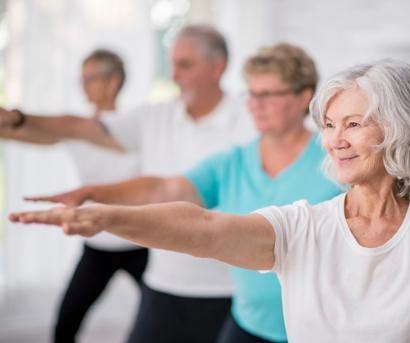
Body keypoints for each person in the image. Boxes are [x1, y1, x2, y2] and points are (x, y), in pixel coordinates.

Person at [10, 59, 410, 343]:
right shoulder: (302, 229)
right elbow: (200, 226)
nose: (336, 139)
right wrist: (104, 216)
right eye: (329, 125)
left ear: (403, 131)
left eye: (355, 124)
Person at [21, 43, 343, 343]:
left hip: (316, 326)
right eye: (251, 94)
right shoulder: (233, 161)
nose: (256, 105)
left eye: (269, 95)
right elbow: (165, 187)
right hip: (249, 323)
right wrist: (93, 194)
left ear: (304, 97)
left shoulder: (336, 160)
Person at [2, 25, 255, 342]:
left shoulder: (250, 120)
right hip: (164, 283)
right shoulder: (154, 117)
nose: (174, 75)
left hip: (228, 288)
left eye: (184, 65)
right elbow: (81, 127)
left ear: (217, 67)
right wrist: (18, 120)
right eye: (172, 63)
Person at [0, 49, 148, 343]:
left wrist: (16, 116)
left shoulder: (133, 125)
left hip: (140, 241)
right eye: (81, 79)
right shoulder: (72, 130)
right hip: (98, 244)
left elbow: (79, 127)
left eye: (90, 78)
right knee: (65, 325)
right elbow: (24, 132)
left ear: (113, 81)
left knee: (157, 321)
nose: (83, 86)